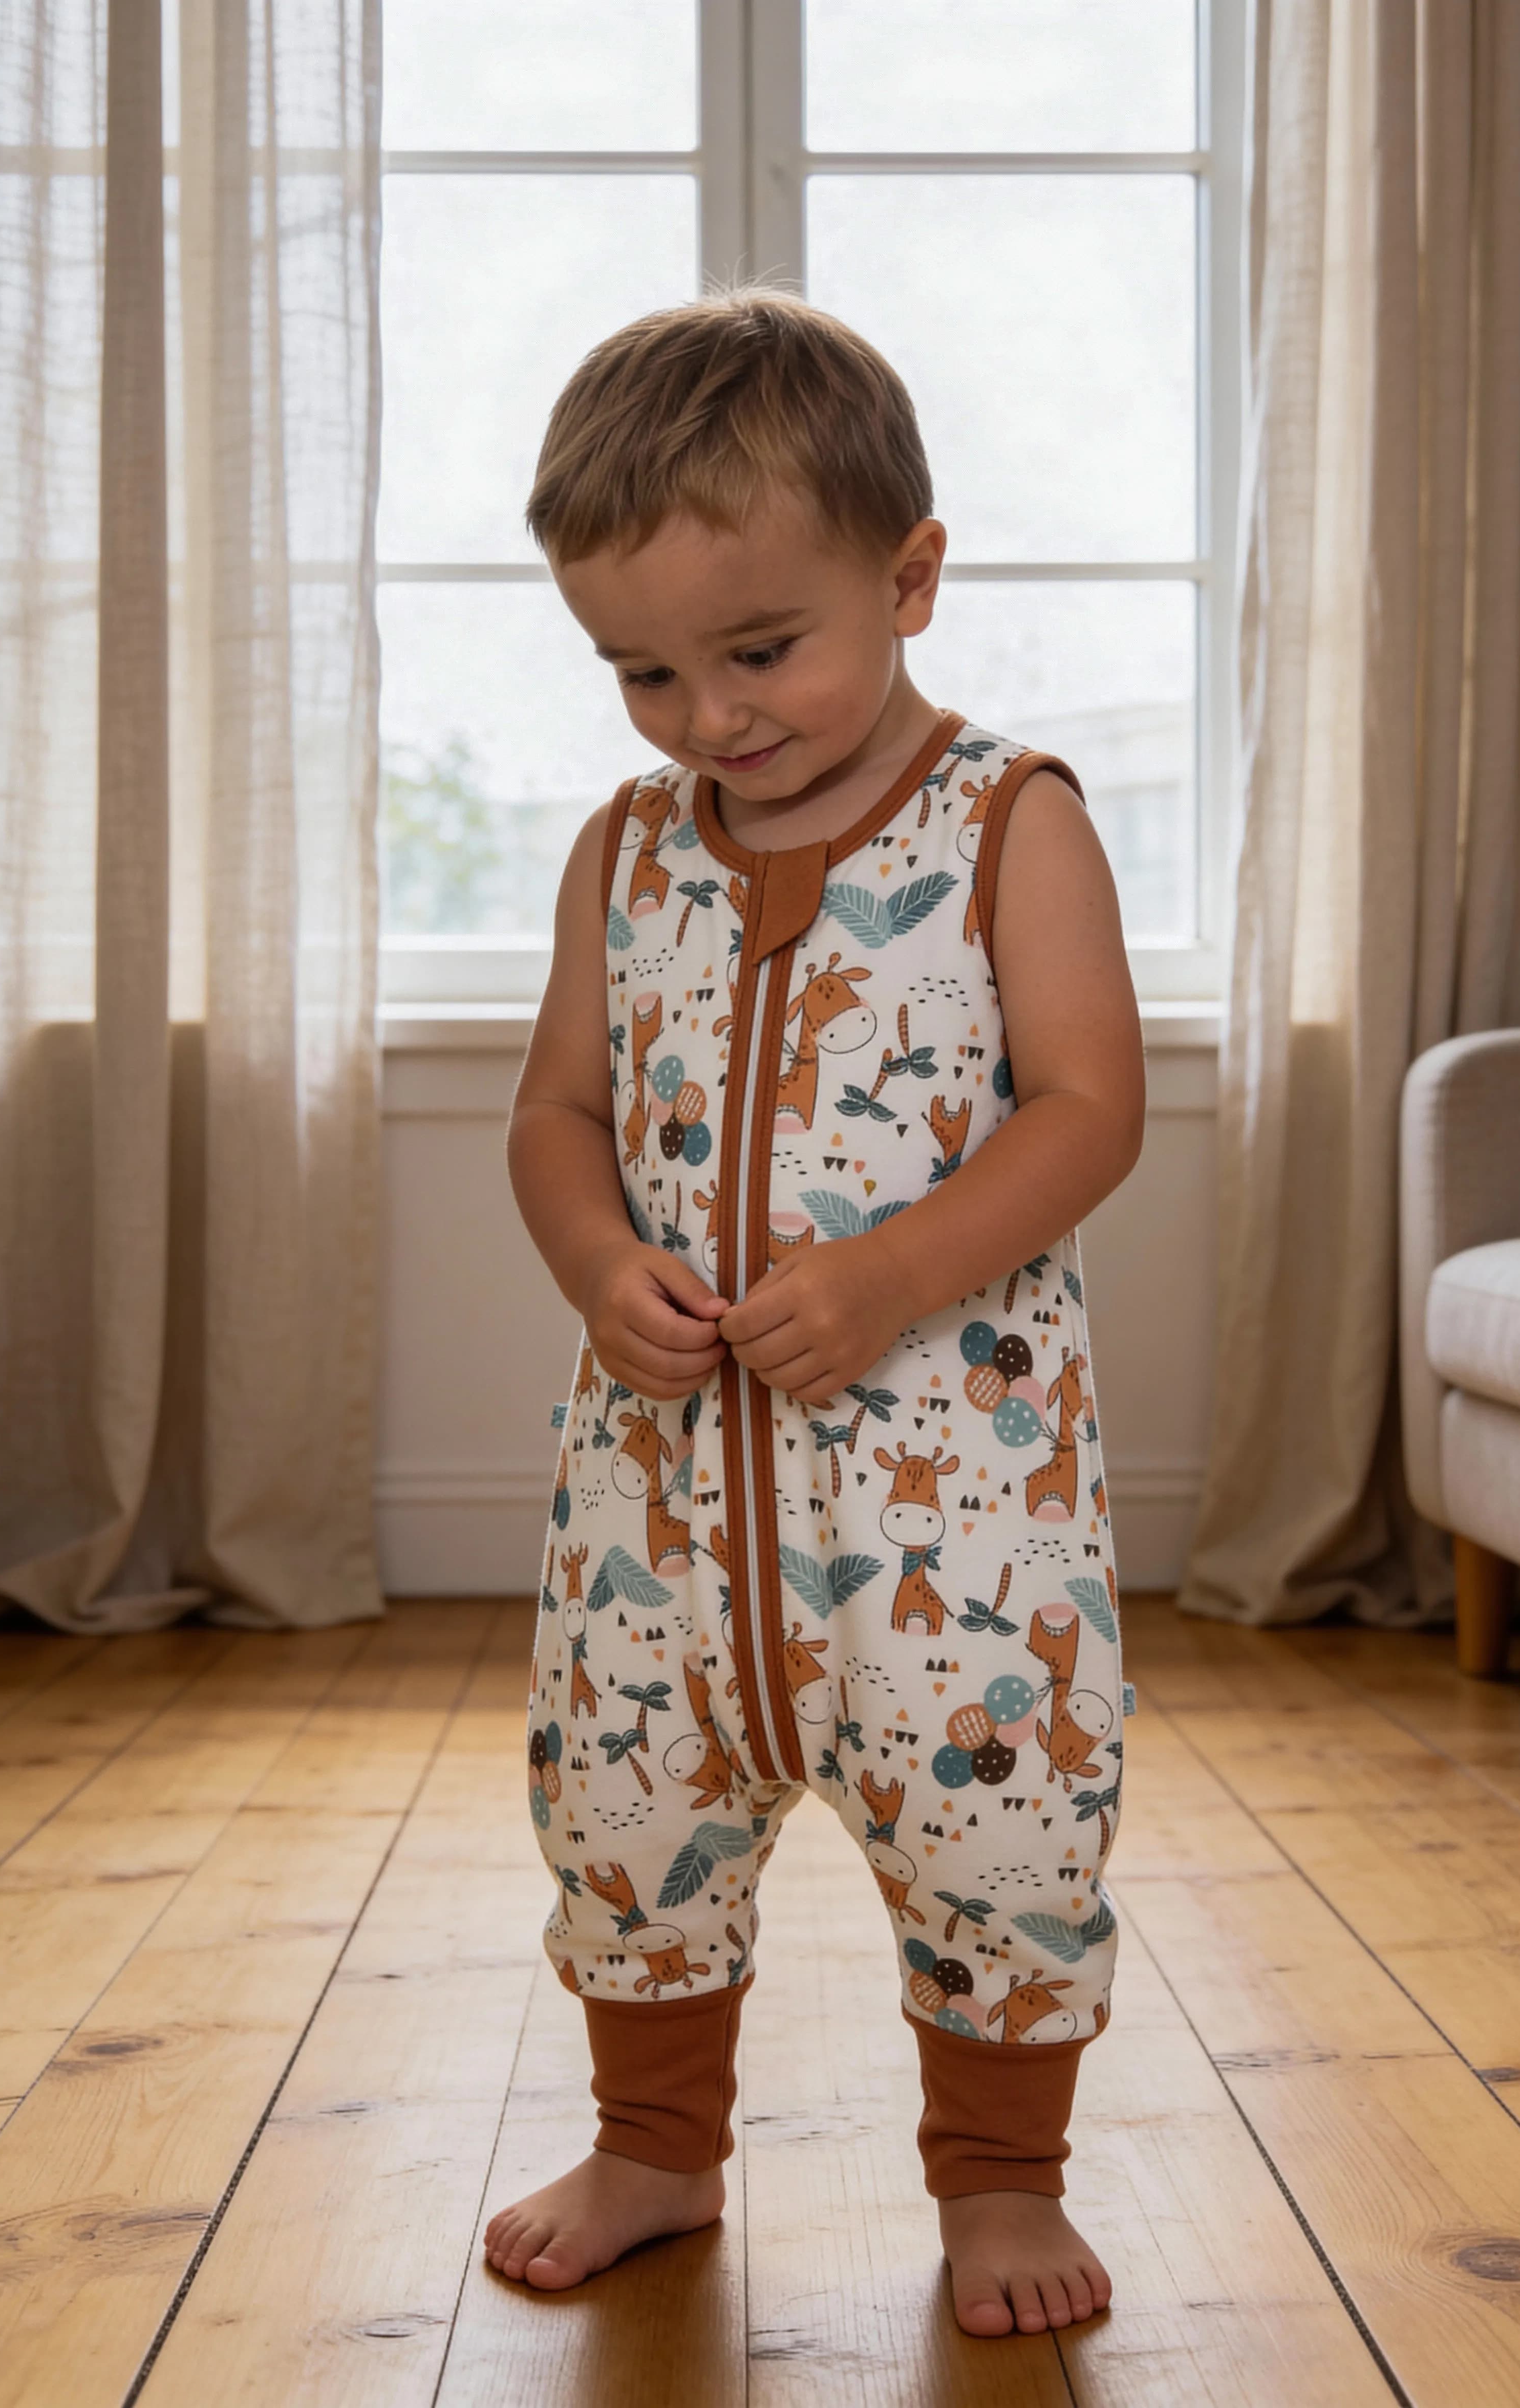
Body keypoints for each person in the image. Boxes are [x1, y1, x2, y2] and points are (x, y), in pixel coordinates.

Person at [486, 289, 1144, 2339]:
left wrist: (885, 1278)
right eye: (643, 672)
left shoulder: (1005, 817)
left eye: (757, 651)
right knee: (626, 1813)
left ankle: (1002, 2187)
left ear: (910, 574)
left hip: (956, 1510)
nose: (706, 716)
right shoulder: (628, 855)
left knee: (997, 1830)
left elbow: (1089, 1107)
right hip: (658, 1501)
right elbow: (556, 1114)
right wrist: (604, 1271)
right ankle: (657, 2149)